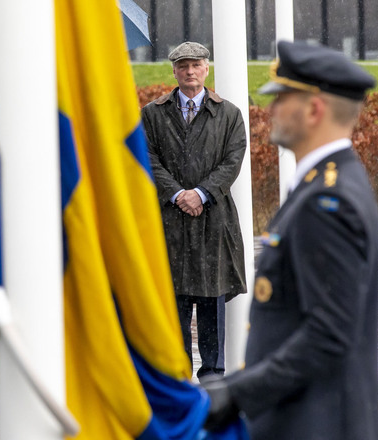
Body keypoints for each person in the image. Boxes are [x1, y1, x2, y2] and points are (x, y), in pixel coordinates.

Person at [202, 41, 378, 440]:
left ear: (314, 109)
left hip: (315, 425)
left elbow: (329, 334)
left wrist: (235, 393)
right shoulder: (328, 187)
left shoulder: (326, 201)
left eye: (282, 98)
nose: (271, 110)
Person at [141, 42, 247, 382]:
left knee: (212, 298)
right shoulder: (153, 114)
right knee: (174, 302)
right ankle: (177, 376)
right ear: (173, 70)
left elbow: (233, 160)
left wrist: (202, 194)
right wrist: (177, 195)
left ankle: (213, 377)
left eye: (196, 65)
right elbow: (147, 158)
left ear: (206, 69)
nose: (190, 71)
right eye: (183, 65)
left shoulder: (228, 114)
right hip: (169, 221)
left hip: (213, 220)